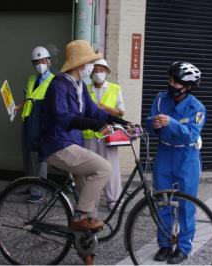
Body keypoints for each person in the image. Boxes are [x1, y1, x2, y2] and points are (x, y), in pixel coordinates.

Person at [39, 40, 130, 265]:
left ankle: (87, 253)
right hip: (57, 144)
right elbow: (64, 117)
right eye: (89, 63)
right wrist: (94, 125)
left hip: (72, 144)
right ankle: (79, 216)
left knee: (90, 207)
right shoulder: (59, 85)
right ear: (79, 65)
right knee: (104, 168)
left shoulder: (78, 85)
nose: (92, 67)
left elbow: (95, 112)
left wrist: (123, 122)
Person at [146, 61, 206, 264]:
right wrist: (153, 124)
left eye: (174, 81)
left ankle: (183, 247)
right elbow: (149, 121)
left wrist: (170, 123)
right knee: (163, 201)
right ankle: (164, 244)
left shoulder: (197, 108)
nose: (170, 84)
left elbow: (190, 135)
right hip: (164, 153)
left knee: (186, 205)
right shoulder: (161, 99)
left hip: (187, 157)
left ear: (187, 86)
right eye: (169, 79)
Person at [83, 59, 125, 210]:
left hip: (108, 133)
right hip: (89, 133)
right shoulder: (85, 88)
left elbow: (121, 112)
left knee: (111, 166)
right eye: (96, 70)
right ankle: (90, 200)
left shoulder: (115, 88)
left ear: (106, 72)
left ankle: (113, 200)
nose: (98, 73)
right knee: (89, 167)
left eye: (101, 70)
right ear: (91, 73)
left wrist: (105, 108)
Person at [14, 46, 54, 203]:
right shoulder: (32, 79)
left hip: (41, 123)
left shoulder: (53, 81)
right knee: (27, 156)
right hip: (28, 120)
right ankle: (31, 185)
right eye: (36, 62)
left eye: (42, 61)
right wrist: (17, 107)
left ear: (49, 62)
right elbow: (29, 98)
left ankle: (40, 192)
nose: (40, 64)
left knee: (39, 157)